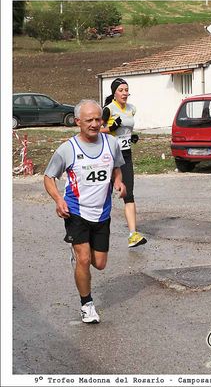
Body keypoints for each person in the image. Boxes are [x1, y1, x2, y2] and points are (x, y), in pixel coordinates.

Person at [44, 99, 126, 324]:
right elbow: (48, 177)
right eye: (89, 120)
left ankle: (82, 256)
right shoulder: (68, 149)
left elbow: (117, 167)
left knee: (99, 263)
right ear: (78, 121)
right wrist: (59, 199)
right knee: (84, 258)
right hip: (76, 212)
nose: (94, 124)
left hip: (102, 213)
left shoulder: (112, 143)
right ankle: (87, 304)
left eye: (98, 119)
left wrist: (119, 182)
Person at [101, 77, 147, 248]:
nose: (125, 93)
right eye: (121, 90)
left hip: (125, 155)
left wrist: (130, 136)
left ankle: (133, 235)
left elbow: (126, 129)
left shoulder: (131, 109)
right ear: (114, 92)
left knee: (129, 194)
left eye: (126, 90)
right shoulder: (108, 109)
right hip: (108, 156)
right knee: (103, 194)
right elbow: (94, 131)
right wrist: (110, 129)